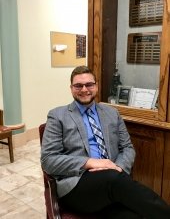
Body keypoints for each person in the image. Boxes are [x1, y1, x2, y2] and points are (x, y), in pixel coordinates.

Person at [41, 66, 170, 219]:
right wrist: (90, 162)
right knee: (113, 179)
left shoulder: (112, 113)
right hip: (77, 186)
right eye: (78, 86)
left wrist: (118, 167)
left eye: (89, 84)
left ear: (96, 86)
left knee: (134, 215)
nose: (84, 89)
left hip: (112, 182)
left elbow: (127, 148)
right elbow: (48, 160)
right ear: (71, 88)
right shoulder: (57, 116)